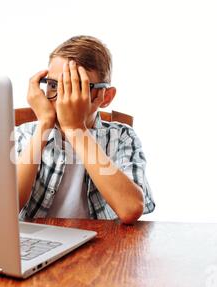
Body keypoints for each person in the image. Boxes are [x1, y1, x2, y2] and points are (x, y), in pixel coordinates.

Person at [15, 35, 155, 224]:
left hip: (100, 246)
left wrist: (75, 129)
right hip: (39, 245)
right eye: (54, 85)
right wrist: (45, 124)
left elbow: (130, 209)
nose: (63, 98)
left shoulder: (122, 136)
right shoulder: (25, 134)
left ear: (105, 97)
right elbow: (4, 209)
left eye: (77, 87)